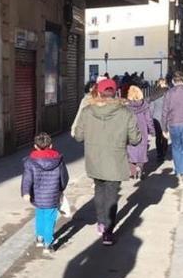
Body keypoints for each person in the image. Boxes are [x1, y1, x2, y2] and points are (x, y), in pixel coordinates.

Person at [72, 78, 141, 245]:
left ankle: (101, 222)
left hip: (94, 159)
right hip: (115, 159)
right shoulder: (125, 112)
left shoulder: (88, 111)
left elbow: (79, 136)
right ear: (115, 92)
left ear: (99, 92)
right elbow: (135, 139)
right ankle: (108, 232)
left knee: (99, 190)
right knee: (111, 195)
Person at [21, 132, 69, 253]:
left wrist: (26, 192)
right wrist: (61, 189)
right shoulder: (58, 160)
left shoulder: (30, 161)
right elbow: (64, 177)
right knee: (50, 218)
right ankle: (48, 243)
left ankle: (39, 238)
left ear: (35, 146)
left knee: (39, 215)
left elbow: (27, 178)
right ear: (51, 145)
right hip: (52, 194)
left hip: (37, 195)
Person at [126, 85, 155, 179]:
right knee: (142, 150)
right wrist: (151, 130)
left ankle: (133, 171)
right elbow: (149, 119)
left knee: (130, 150)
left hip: (130, 130)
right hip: (142, 130)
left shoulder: (126, 107)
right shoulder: (145, 105)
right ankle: (140, 167)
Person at [148, 78, 170, 161]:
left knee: (158, 136)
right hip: (166, 117)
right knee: (165, 134)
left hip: (156, 117)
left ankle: (159, 153)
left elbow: (151, 108)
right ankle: (164, 150)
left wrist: (150, 119)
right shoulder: (168, 93)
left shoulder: (154, 94)